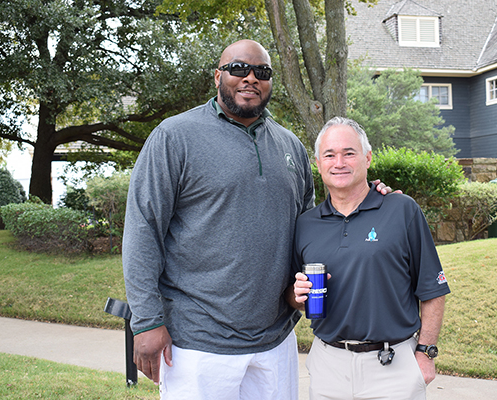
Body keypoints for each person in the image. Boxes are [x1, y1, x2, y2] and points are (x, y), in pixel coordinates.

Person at [122, 40, 390, 400]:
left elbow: (312, 230)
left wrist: (370, 200)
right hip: (198, 342)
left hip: (275, 342)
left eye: (261, 72)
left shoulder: (290, 145)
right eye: (238, 69)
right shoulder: (175, 137)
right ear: (218, 76)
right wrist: (147, 321)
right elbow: (143, 229)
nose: (250, 78)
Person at [289, 117, 450, 400]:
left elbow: (432, 289)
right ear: (318, 163)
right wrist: (297, 296)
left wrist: (426, 352)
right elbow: (292, 298)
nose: (339, 162)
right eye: (329, 155)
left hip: (392, 366)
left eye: (349, 153)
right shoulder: (305, 224)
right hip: (329, 366)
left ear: (367, 157)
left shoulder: (401, 210)